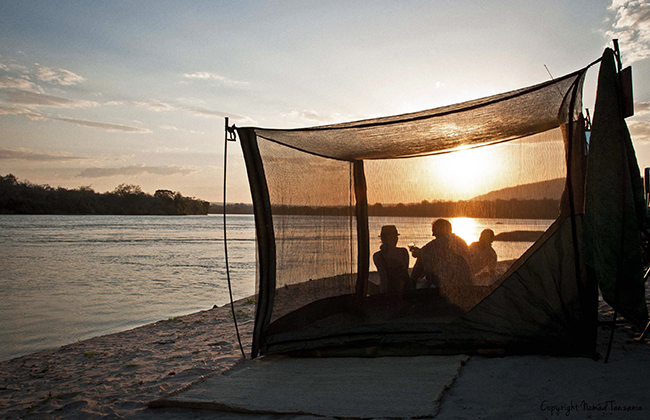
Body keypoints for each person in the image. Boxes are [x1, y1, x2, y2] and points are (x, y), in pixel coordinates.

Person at [410, 219, 472, 287]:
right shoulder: (460, 241)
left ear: (439, 229)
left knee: (422, 257)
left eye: (434, 231)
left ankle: (411, 283)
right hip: (465, 282)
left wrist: (416, 251)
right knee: (426, 256)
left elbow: (418, 254)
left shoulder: (438, 243)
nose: (433, 234)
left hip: (447, 284)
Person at [373, 225, 411, 293]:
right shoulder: (403, 252)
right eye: (395, 237)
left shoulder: (377, 256)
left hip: (389, 290)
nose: (396, 239)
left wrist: (383, 295)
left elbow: (384, 278)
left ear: (382, 239)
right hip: (404, 290)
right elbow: (405, 272)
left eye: (396, 237)